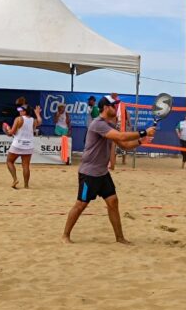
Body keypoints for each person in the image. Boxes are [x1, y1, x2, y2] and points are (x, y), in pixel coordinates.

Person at [62, 95, 156, 244]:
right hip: (89, 173)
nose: (116, 108)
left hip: (102, 173)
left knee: (113, 202)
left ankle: (120, 238)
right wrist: (144, 132)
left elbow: (124, 145)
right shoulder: (98, 124)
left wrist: (140, 141)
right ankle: (65, 235)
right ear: (106, 108)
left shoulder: (109, 126)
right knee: (80, 204)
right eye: (114, 106)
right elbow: (121, 136)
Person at [4, 105, 42, 189]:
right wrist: (37, 113)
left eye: (21, 110)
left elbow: (12, 132)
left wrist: (7, 129)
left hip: (18, 144)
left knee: (9, 161)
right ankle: (26, 186)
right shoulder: (33, 120)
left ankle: (15, 179)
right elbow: (40, 121)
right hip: (28, 145)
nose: (19, 111)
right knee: (26, 166)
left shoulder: (18, 119)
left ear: (25, 111)